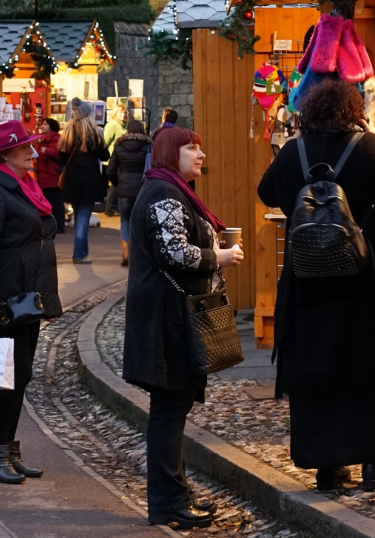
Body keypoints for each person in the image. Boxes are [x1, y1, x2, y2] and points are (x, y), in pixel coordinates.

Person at [257, 79, 375, 492]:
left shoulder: (294, 151)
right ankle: (373, 466)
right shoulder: (371, 148)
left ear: (309, 113)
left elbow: (265, 192)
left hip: (308, 283)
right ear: (353, 109)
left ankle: (327, 466)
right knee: (367, 367)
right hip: (366, 280)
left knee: (316, 369)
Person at [123, 127, 243, 529]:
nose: (200, 154)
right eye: (193, 147)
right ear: (172, 153)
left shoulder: (170, 190)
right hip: (166, 319)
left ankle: (175, 496)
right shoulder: (163, 193)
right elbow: (174, 252)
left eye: (200, 147)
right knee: (168, 411)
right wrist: (219, 257)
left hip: (170, 314)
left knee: (172, 409)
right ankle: (168, 503)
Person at [0, 120, 63, 485]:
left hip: (28, 297)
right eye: (25, 147)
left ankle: (9, 451)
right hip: (7, 299)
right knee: (10, 377)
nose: (32, 151)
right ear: (5, 153)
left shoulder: (26, 186)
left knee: (20, 376)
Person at [59, 101, 110, 263]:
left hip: (72, 179)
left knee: (78, 214)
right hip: (89, 180)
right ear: (88, 114)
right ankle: (80, 254)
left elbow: (61, 157)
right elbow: (105, 156)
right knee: (83, 218)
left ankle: (80, 252)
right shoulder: (93, 133)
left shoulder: (68, 132)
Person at [107, 120, 151, 267]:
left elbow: (110, 170)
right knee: (140, 220)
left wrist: (117, 183)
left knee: (125, 220)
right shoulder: (147, 146)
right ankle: (138, 253)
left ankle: (125, 248)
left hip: (124, 188)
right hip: (142, 188)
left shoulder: (119, 146)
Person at [35, 118, 66, 233]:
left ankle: (59, 226)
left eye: (45, 124)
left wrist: (45, 150)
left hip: (52, 176)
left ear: (51, 126)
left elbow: (59, 153)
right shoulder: (44, 140)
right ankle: (54, 225)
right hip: (46, 176)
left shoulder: (56, 139)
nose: (42, 126)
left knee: (55, 202)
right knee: (50, 201)